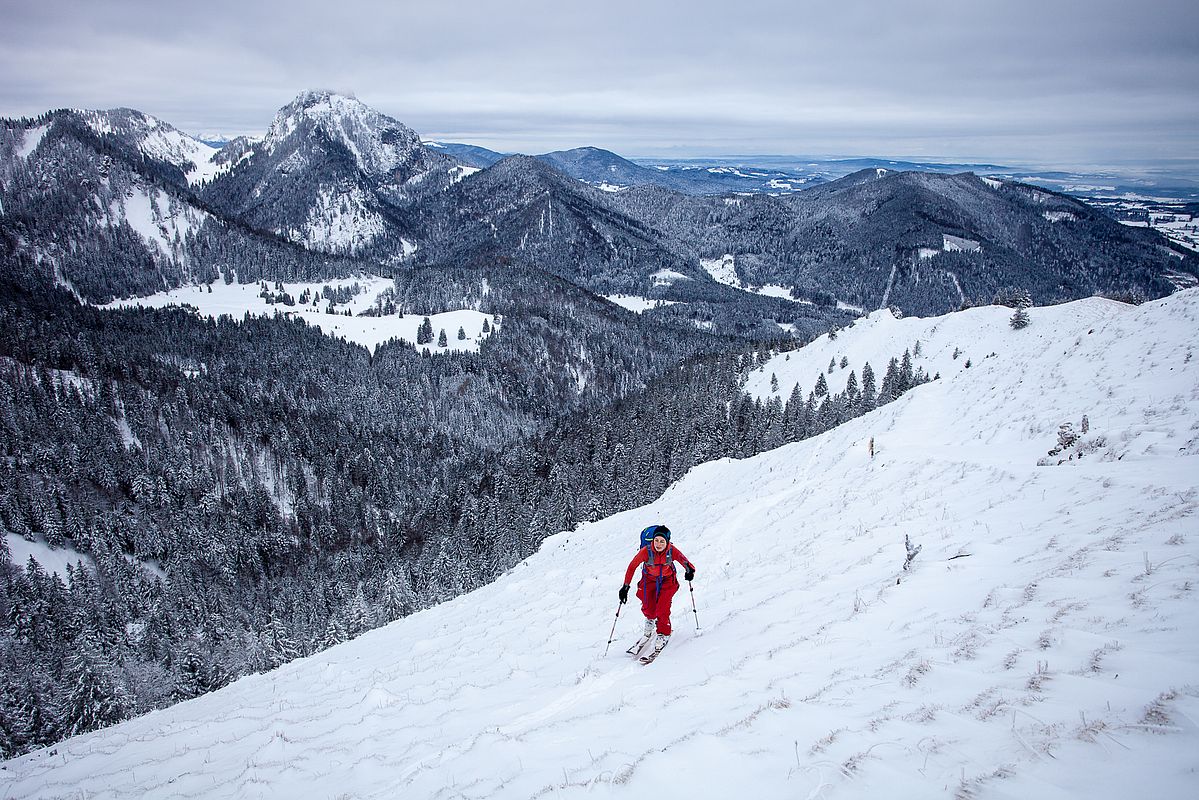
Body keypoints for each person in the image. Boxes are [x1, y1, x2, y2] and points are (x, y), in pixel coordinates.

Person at [618, 524, 695, 657]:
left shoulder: (672, 550)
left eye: (662, 541)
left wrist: (690, 571)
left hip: (667, 581)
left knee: (662, 608)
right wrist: (625, 586)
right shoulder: (646, 551)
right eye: (656, 540)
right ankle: (650, 620)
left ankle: (663, 633)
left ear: (667, 542)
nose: (659, 544)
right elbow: (632, 567)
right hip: (649, 580)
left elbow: (686, 562)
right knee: (648, 606)